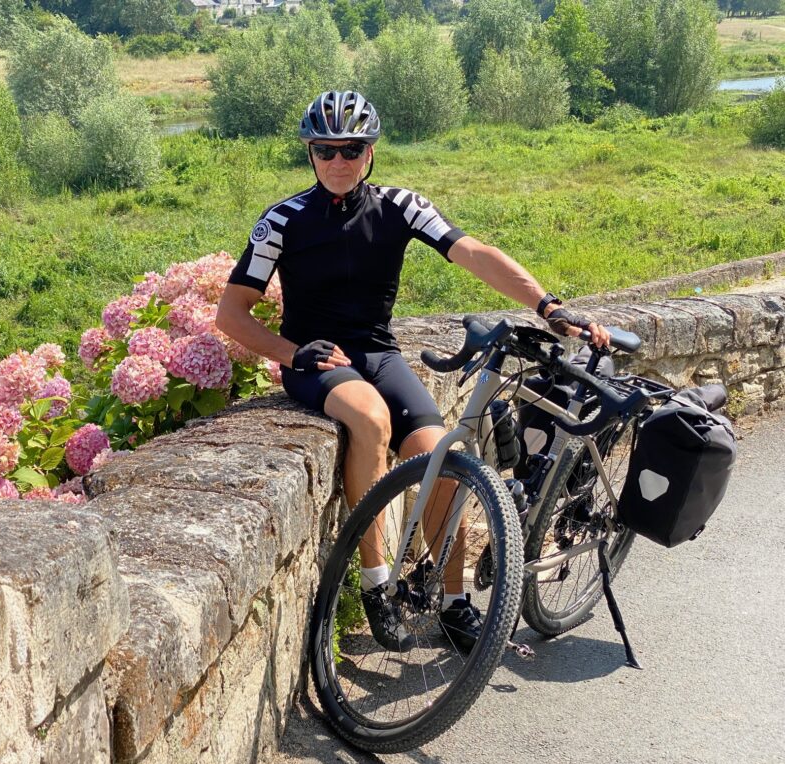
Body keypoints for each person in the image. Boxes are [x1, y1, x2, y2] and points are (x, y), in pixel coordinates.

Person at [216, 90, 609, 653]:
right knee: (370, 419)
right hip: (317, 360)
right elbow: (232, 313)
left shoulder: (400, 205)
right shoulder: (283, 220)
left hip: (379, 353)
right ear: (310, 154)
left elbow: (474, 252)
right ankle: (377, 585)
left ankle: (453, 603)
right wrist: (290, 352)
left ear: (370, 152)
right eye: (324, 150)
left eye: (351, 149)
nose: (337, 162)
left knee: (442, 456)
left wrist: (547, 305)